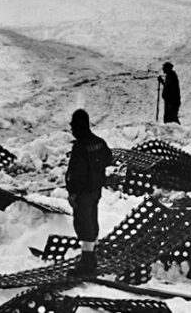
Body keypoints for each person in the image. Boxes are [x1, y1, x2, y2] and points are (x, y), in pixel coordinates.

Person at [65, 109, 112, 276]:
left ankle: (87, 262)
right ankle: (91, 256)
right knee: (92, 219)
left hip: (83, 192)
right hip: (95, 189)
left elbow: (76, 173)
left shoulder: (80, 147)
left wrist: (72, 192)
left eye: (73, 126)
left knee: (83, 224)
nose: (72, 130)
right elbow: (108, 158)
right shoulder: (99, 142)